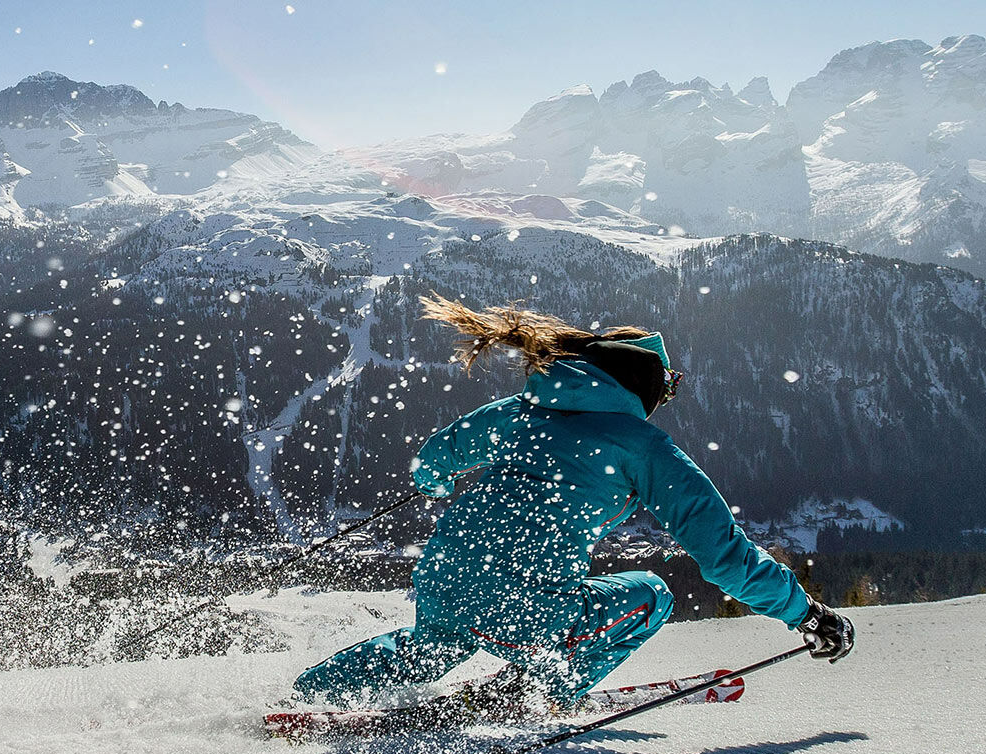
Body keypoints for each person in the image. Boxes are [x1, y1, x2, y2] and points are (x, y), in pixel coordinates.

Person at [294, 296, 854, 709]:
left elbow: (436, 457)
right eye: (670, 385)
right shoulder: (644, 447)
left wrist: (437, 485)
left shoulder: (517, 411)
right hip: (524, 603)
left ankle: (302, 695)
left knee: (433, 645)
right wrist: (805, 613)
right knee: (652, 595)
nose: (669, 396)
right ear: (644, 386)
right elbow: (725, 557)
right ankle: (539, 696)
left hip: (444, 578)